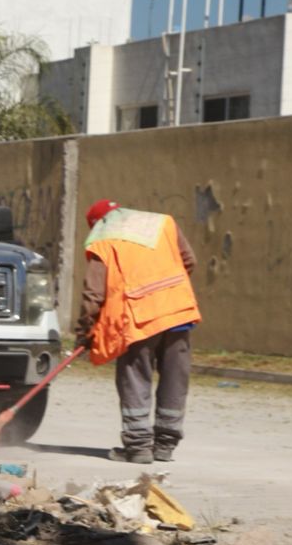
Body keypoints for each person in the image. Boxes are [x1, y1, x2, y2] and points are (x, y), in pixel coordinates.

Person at [73, 198, 201, 464]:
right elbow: (188, 261)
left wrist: (84, 331)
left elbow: (93, 294)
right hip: (177, 312)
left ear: (97, 225)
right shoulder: (163, 223)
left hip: (137, 319)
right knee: (175, 379)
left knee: (134, 378)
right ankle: (165, 446)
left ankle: (139, 448)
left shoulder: (104, 241)